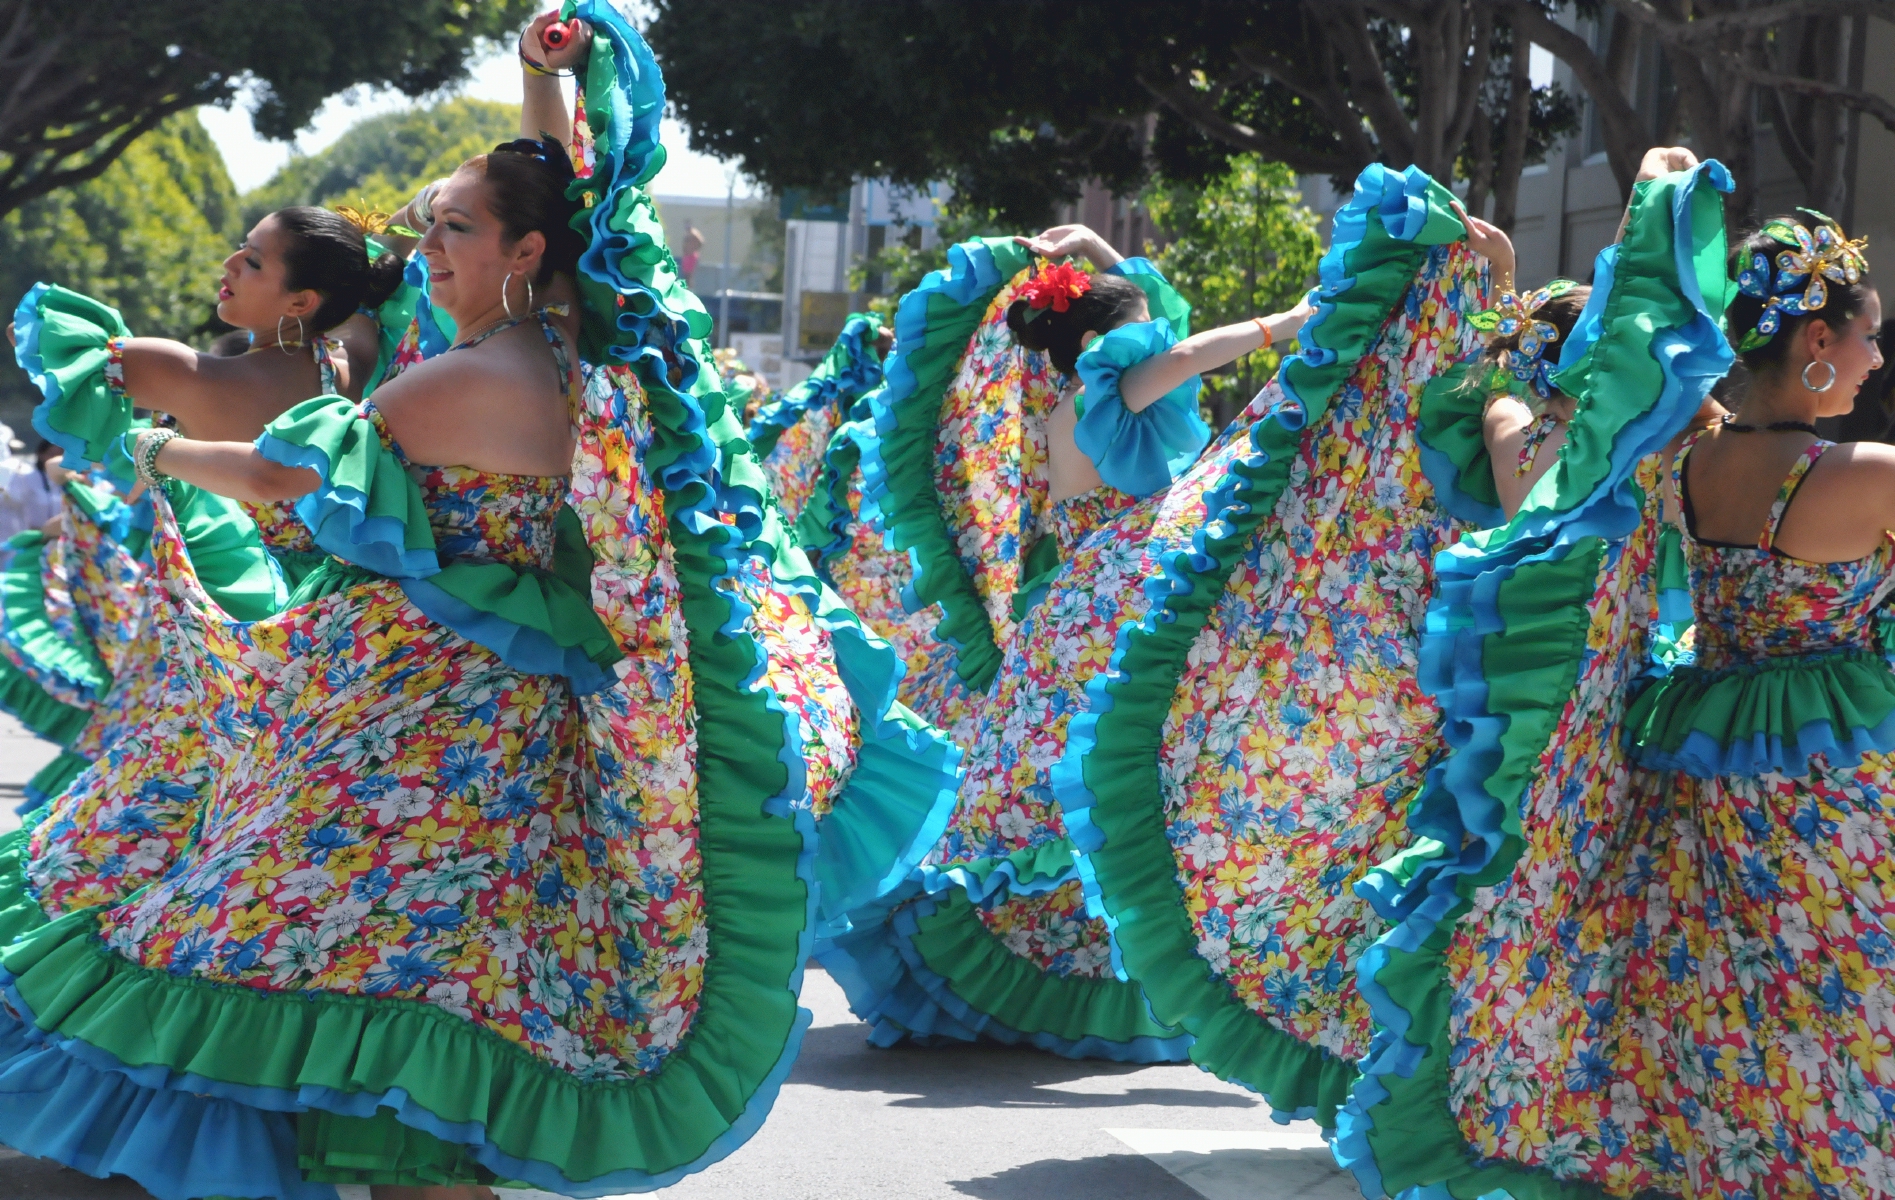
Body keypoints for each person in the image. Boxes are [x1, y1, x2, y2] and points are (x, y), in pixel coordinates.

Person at [0, 7, 959, 1195]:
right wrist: (542, 82)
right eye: (430, 226)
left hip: (403, 701)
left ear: (517, 255)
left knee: (249, 919)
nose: (429, 248)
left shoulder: (454, 379)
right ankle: (426, 1165)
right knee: (444, 953)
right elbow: (558, 196)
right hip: (517, 706)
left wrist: (149, 455)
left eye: (454, 230)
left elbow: (269, 477)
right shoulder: (575, 348)